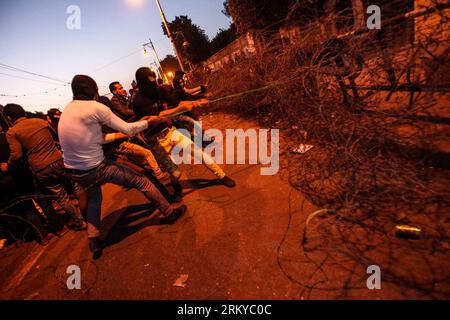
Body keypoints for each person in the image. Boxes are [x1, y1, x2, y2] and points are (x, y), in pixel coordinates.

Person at [58, 75, 186, 259]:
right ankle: (169, 212)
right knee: (141, 180)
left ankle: (93, 239)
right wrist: (150, 122)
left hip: (75, 172)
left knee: (94, 197)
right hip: (96, 167)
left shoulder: (68, 111)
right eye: (95, 88)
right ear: (91, 89)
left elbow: (98, 139)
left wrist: (115, 136)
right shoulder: (96, 107)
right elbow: (130, 129)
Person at [132, 67, 236, 188]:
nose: (153, 82)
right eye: (150, 80)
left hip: (169, 132)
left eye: (154, 78)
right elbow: (158, 117)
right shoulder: (138, 101)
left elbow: (178, 102)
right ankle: (176, 189)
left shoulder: (158, 90)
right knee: (174, 172)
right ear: (142, 82)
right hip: (155, 141)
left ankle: (222, 175)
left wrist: (197, 101)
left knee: (198, 152)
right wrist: (182, 108)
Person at [1, 104, 86, 232]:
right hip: (58, 160)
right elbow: (55, 137)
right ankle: (89, 214)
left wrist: (8, 165)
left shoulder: (12, 132)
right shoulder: (41, 122)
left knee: (61, 196)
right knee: (75, 186)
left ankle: (80, 222)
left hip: (40, 168)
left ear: (8, 117)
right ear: (23, 111)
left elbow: (16, 155)